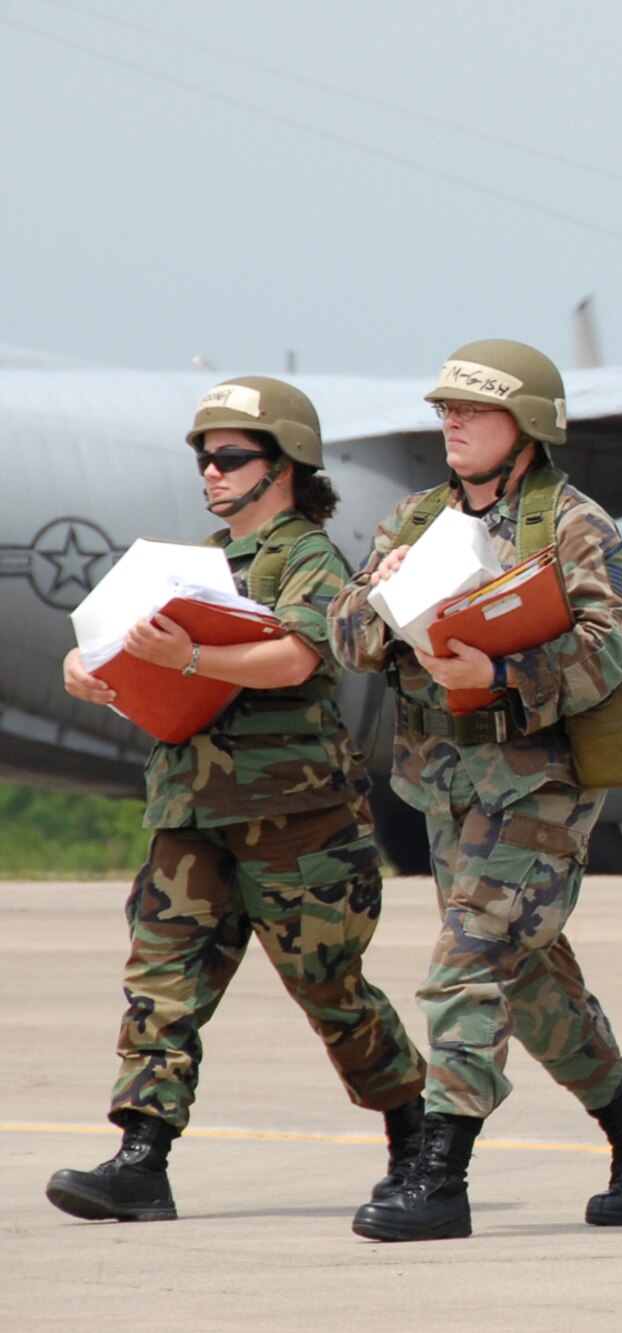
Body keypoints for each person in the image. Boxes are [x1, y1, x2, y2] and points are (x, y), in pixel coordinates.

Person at [331, 339, 622, 1241]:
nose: (452, 422)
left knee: (467, 964)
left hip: (541, 787)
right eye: (446, 409)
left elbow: (609, 647)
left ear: (526, 427)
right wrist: (379, 606)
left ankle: (441, 1174)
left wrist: (502, 668)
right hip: (451, 788)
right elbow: (344, 634)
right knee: (528, 979)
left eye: (473, 411)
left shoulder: (576, 525)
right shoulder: (412, 523)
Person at [46, 377, 427, 1223]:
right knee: (161, 980)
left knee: (330, 988)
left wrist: (188, 660)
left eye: (229, 457)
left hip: (295, 819)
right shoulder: (199, 566)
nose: (210, 472)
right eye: (203, 458)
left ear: (284, 465)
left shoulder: (309, 556)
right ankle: (142, 1158)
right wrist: (92, 671)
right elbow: (134, 655)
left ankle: (415, 1139)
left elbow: (296, 658)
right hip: (191, 812)